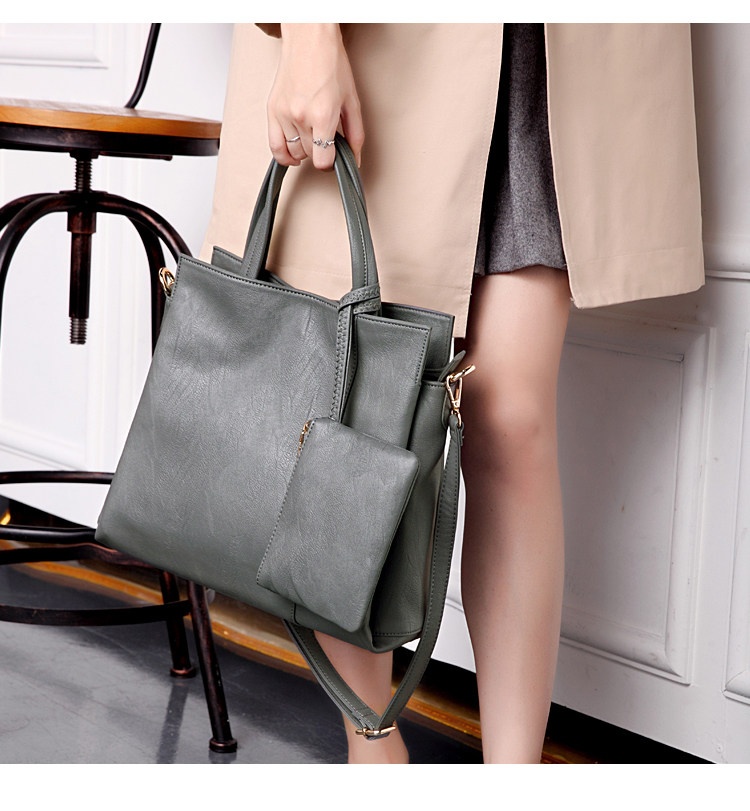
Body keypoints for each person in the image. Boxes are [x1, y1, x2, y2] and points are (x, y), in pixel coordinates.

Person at [201, 23, 704, 764]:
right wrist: (307, 30)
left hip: (550, 49)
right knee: (360, 404)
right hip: (393, 39)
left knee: (510, 417)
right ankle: (372, 747)